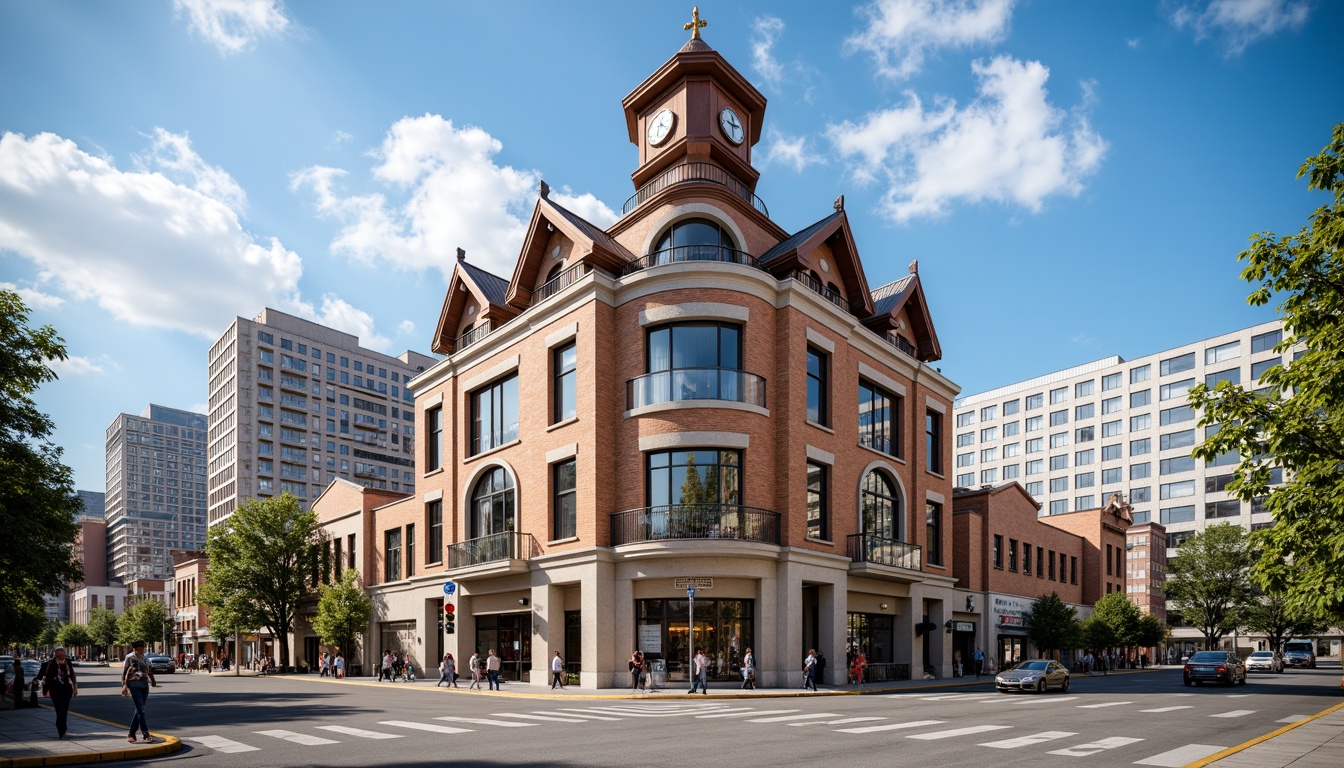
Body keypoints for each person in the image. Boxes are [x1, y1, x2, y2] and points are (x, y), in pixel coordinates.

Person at [120, 640, 158, 744]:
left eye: (142, 647)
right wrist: (124, 685)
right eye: (139, 648)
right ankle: (145, 734)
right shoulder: (129, 657)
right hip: (134, 685)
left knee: (139, 710)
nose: (141, 649)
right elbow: (124, 673)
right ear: (134, 648)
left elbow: (149, 671)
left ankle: (131, 734)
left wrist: (153, 681)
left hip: (144, 686)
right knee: (141, 710)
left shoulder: (145, 658)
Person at [40, 648, 78, 737]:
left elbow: (72, 675)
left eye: (63, 655)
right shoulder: (50, 663)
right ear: (55, 655)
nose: (61, 657)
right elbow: (42, 676)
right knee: (59, 710)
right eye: (59, 655)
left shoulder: (68, 662)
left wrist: (75, 688)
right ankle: (60, 728)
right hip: (55, 690)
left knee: (64, 710)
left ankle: (63, 728)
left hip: (66, 689)